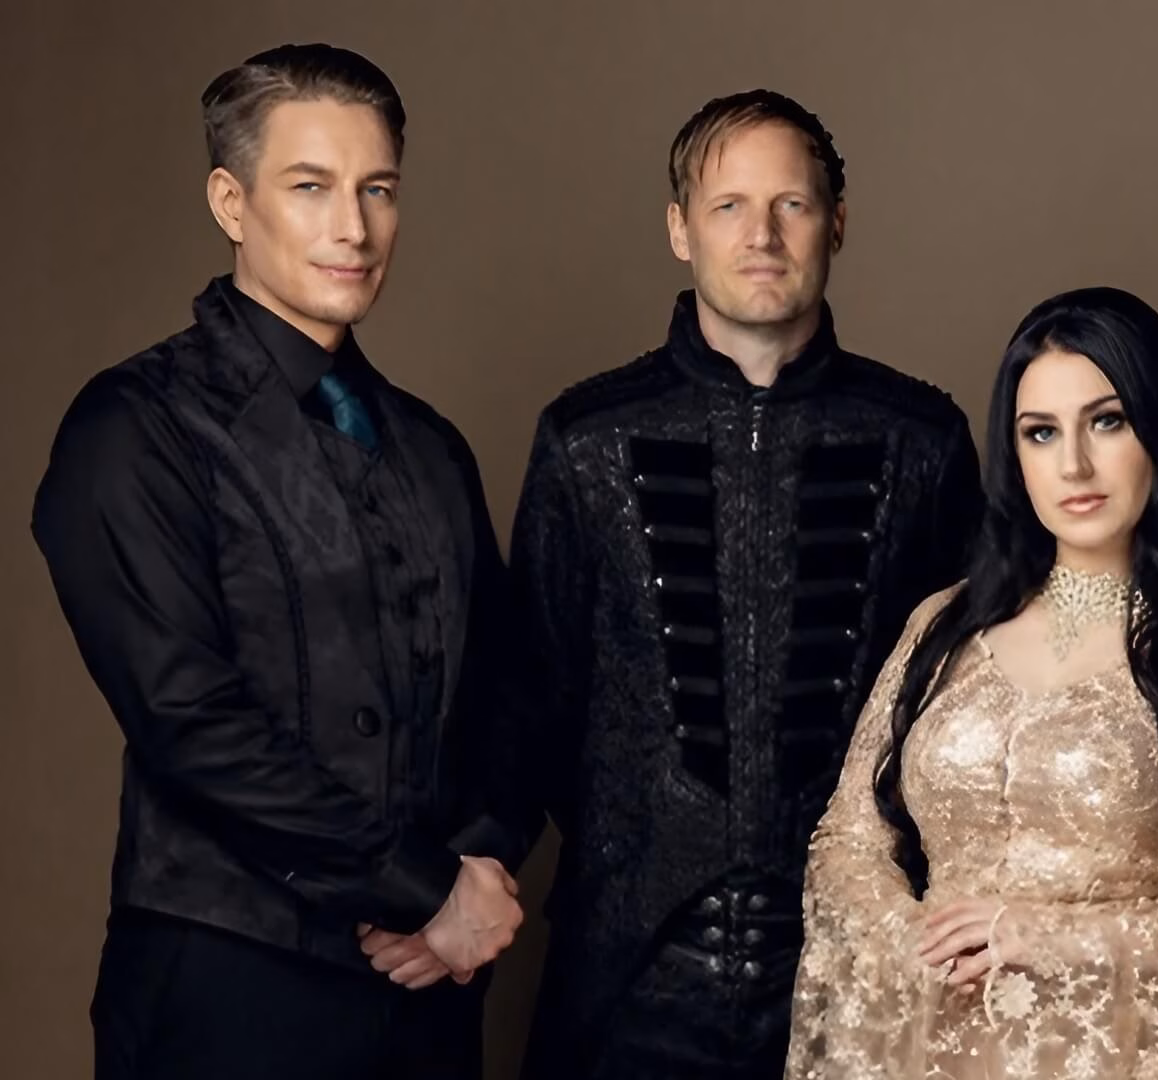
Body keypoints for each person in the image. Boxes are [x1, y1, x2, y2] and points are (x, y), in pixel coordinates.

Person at [31, 43, 530, 1080]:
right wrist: (422, 888)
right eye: (311, 188)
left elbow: (508, 693)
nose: (353, 227)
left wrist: (472, 879)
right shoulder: (134, 427)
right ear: (230, 199)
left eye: (377, 189)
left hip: (425, 987)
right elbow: (189, 721)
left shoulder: (429, 444)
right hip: (229, 985)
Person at [507, 89, 984, 1078]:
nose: (761, 233)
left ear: (837, 222)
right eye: (728, 205)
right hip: (630, 969)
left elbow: (961, 707)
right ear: (680, 228)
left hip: (852, 963)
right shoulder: (585, 439)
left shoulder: (922, 440)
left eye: (792, 205)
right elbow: (530, 704)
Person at [787, 286, 1158, 1079]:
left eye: (1106, 422)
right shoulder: (942, 629)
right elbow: (847, 841)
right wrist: (914, 938)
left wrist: (1051, 941)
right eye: (1040, 434)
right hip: (931, 1050)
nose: (1073, 464)